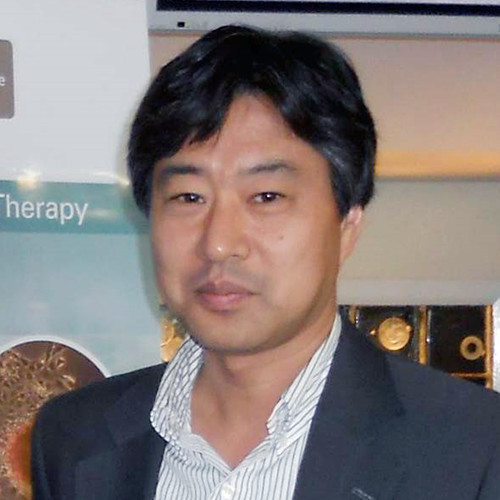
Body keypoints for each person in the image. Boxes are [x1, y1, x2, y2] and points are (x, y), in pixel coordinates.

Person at [31, 25, 500, 500]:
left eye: (266, 196)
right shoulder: (73, 439)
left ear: (347, 226)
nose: (218, 243)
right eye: (189, 197)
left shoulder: (472, 448)